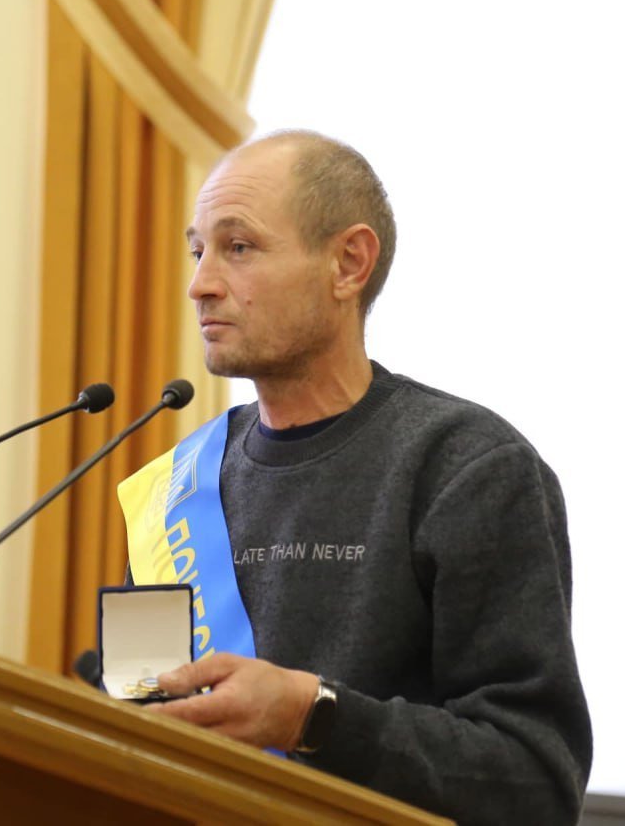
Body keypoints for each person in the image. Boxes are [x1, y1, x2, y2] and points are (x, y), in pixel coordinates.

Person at [120, 130, 592, 824]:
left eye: (238, 247)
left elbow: (534, 781)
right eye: (198, 251)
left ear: (348, 264)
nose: (201, 284)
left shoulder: (469, 467)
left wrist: (313, 716)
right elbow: (138, 725)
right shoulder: (176, 486)